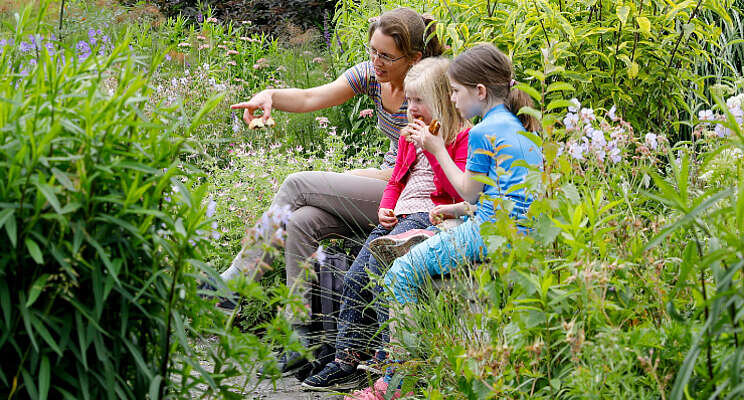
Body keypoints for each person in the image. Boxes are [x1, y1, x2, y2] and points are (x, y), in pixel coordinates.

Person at [213, 7, 444, 377]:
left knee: (298, 184)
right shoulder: (373, 76)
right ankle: (301, 337)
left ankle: (238, 279)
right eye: (372, 51)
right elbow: (310, 98)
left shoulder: (430, 91)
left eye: (386, 55)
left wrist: (355, 175)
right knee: (303, 220)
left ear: (414, 58)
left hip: (413, 198)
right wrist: (270, 95)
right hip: (386, 189)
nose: (375, 61)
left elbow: (409, 169)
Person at [345, 43, 543, 399]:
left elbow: (469, 191)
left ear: (479, 92)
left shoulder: (483, 131)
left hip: (487, 233)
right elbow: (501, 196)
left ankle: (396, 381)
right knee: (421, 253)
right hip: (516, 228)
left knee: (398, 275)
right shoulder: (517, 127)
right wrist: (455, 211)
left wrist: (436, 149)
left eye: (455, 92)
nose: (451, 100)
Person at [299, 57, 470, 391]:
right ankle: (345, 359)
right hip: (400, 216)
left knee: (383, 279)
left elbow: (454, 189)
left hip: (430, 216)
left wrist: (432, 148)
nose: (412, 108)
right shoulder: (408, 137)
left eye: (420, 101)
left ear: (442, 101)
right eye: (409, 101)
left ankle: (388, 364)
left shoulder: (455, 138)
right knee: (354, 277)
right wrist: (386, 207)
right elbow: (395, 180)